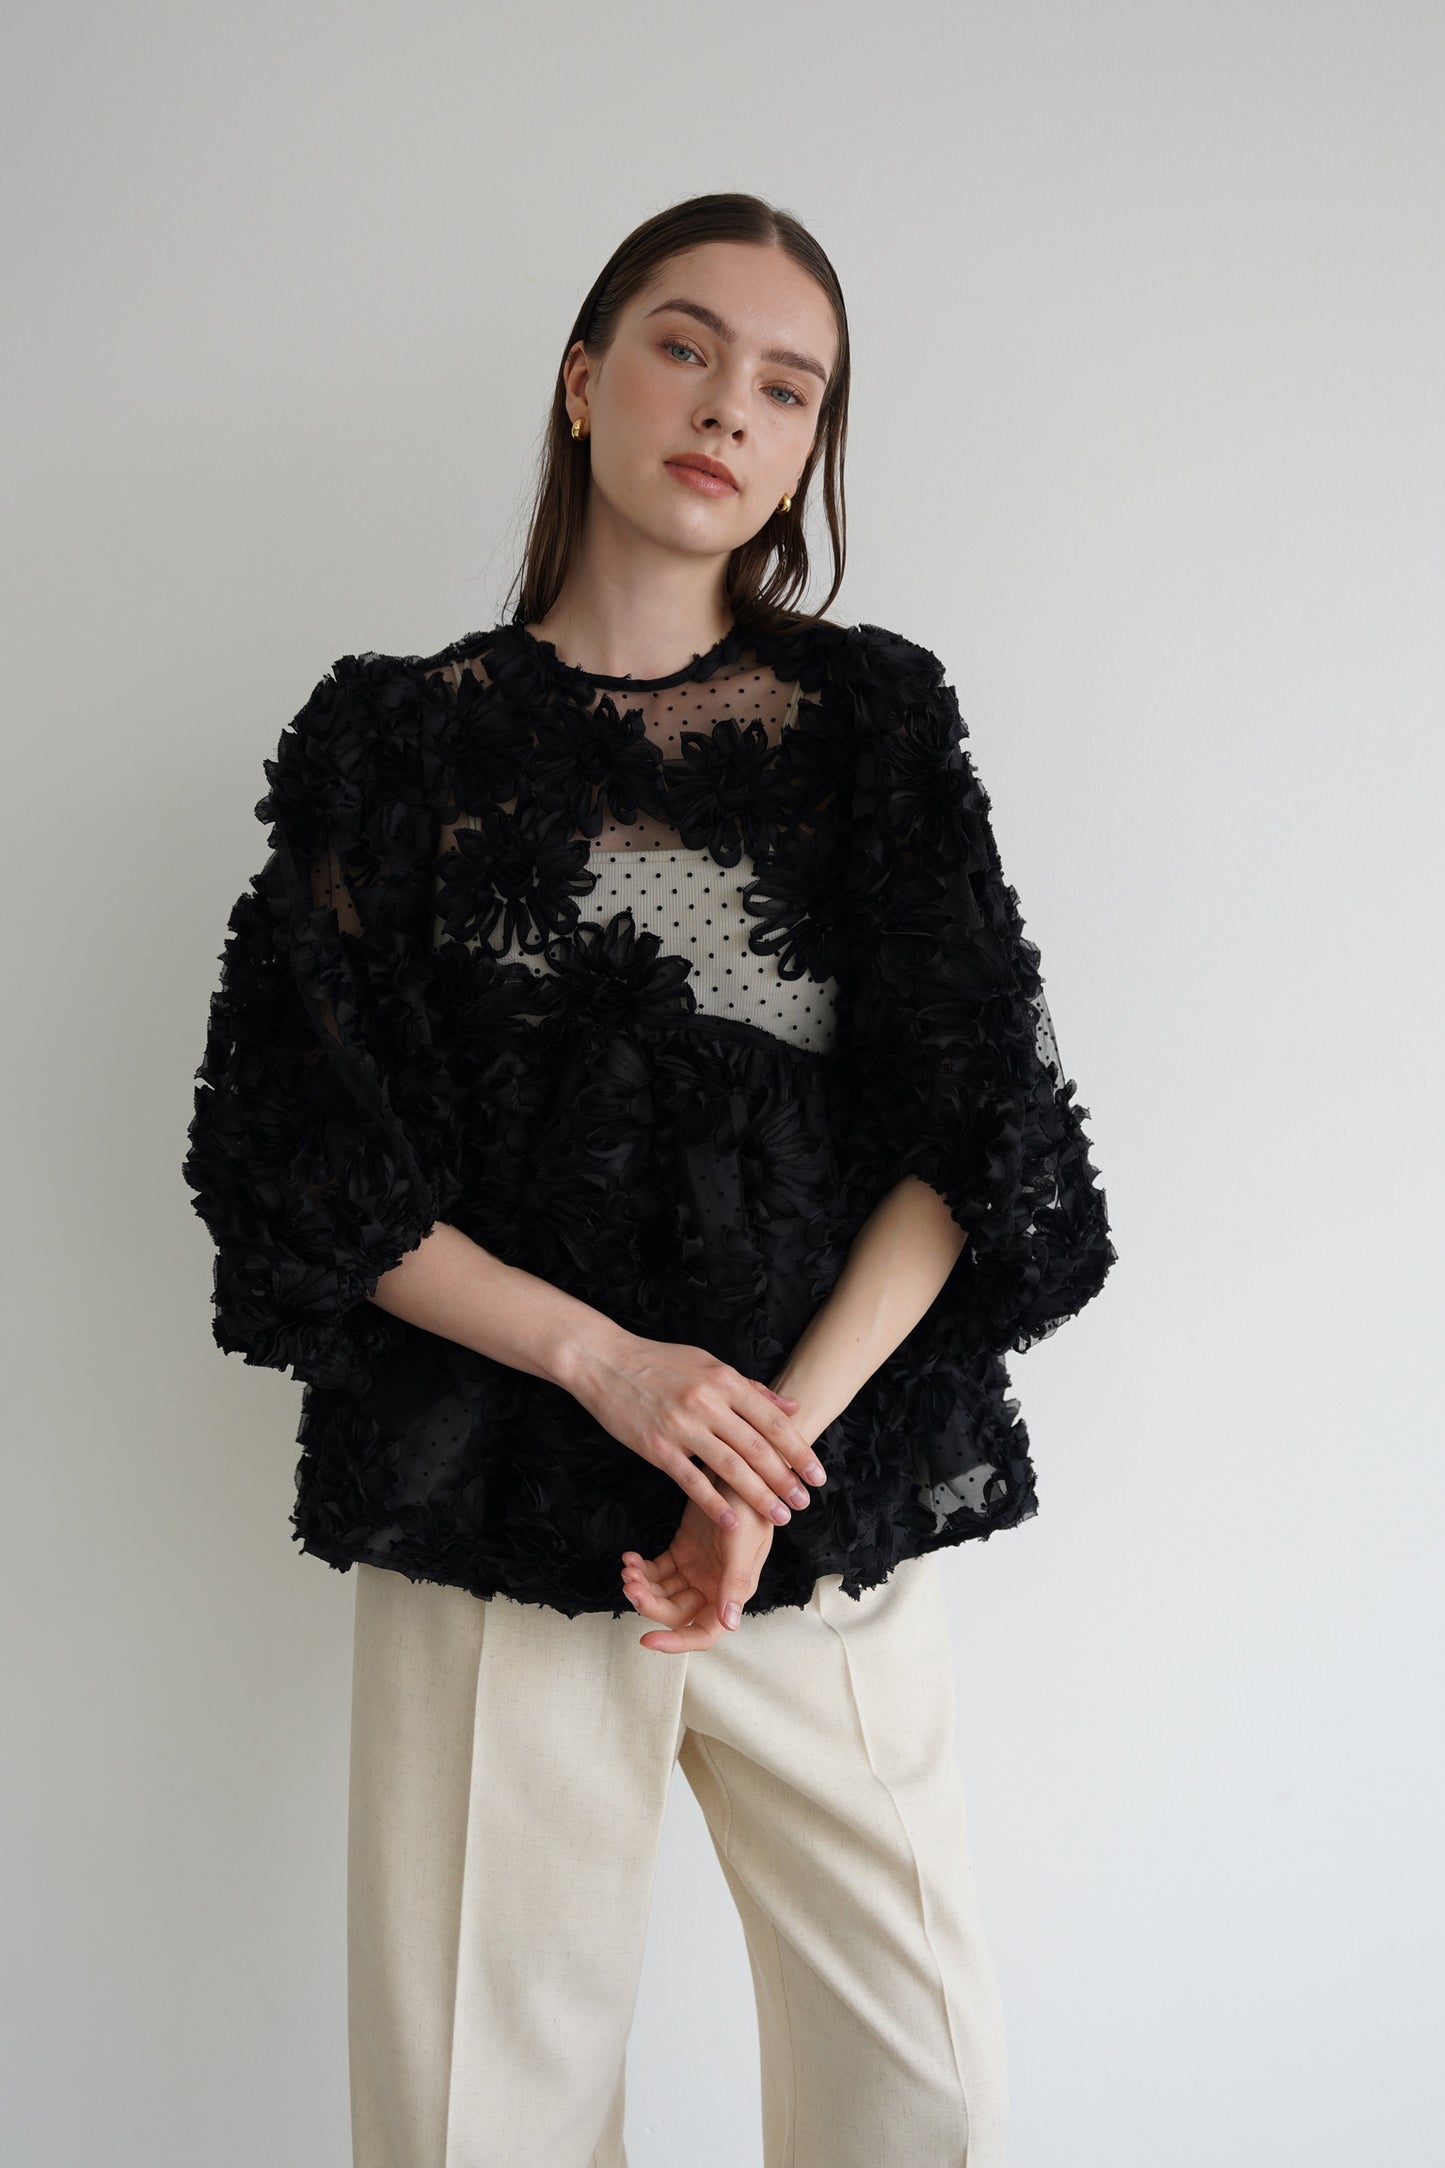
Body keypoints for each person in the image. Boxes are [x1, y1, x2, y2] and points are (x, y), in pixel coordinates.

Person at [183, 191, 1115, 2168]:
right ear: (584, 379)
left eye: (788, 388)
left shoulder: (870, 725)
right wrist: (610, 1366)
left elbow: (974, 1123)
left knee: (927, 2092)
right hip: (493, 1506)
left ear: (806, 449)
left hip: (816, 1505)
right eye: (686, 347)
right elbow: (302, 1159)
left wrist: (762, 1453)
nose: (727, 408)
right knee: (479, 2123)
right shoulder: (392, 745)